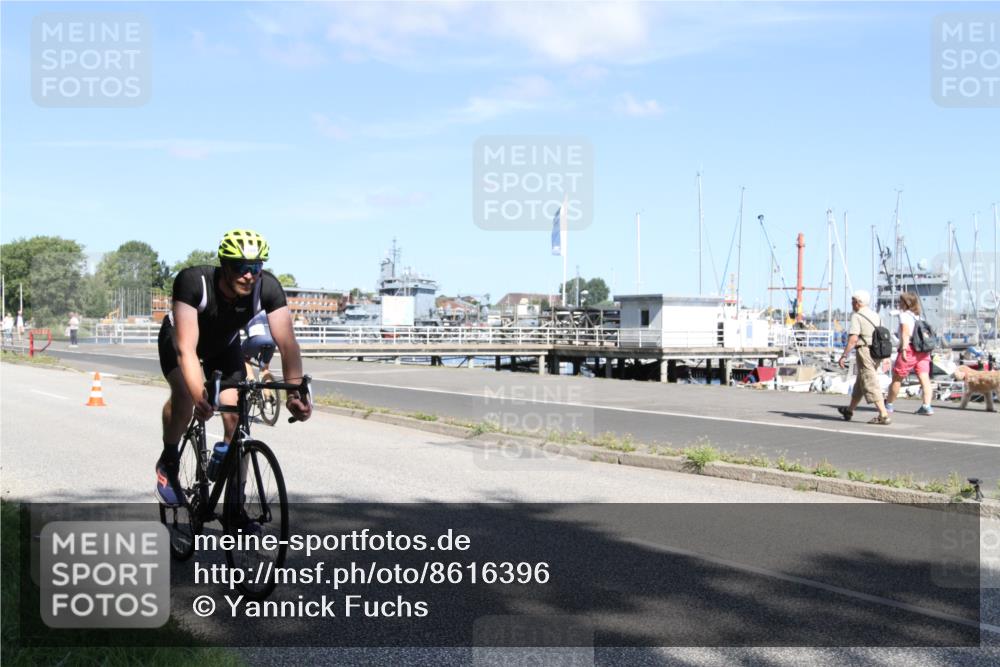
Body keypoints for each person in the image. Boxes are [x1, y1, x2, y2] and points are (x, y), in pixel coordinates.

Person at [155, 229, 312, 506]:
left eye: (255, 267)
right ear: (224, 265)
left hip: (223, 345)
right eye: (240, 267)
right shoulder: (194, 281)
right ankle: (169, 462)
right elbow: (187, 350)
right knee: (184, 397)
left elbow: (288, 345)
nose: (248, 274)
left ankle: (235, 506)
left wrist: (294, 395)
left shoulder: (268, 288)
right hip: (180, 340)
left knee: (236, 420)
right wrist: (199, 397)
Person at [837, 289, 891, 425]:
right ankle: (849, 410)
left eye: (853, 301)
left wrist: (844, 355)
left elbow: (853, 338)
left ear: (858, 303)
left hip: (864, 350)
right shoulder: (876, 315)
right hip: (877, 352)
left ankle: (883, 415)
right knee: (861, 382)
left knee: (869, 381)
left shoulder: (857, 316)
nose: (851, 303)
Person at [885, 292, 934, 415]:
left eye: (900, 301)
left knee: (897, 378)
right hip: (923, 351)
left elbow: (905, 333)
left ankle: (889, 404)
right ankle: (927, 406)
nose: (898, 303)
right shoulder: (919, 317)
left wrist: (904, 350)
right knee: (925, 379)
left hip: (910, 349)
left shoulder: (904, 316)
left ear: (905, 303)